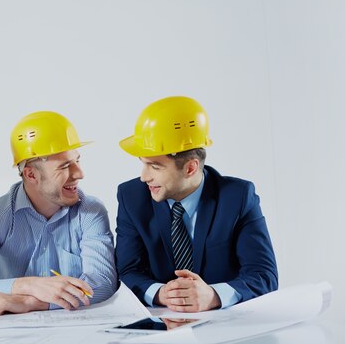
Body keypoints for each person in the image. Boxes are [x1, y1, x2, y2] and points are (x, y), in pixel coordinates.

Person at [115, 96, 278, 313]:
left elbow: (264, 275)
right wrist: (161, 293)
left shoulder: (238, 197)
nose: (144, 177)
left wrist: (214, 295)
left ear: (190, 168)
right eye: (142, 164)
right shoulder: (131, 197)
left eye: (155, 166)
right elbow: (126, 272)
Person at [0, 111, 117, 315]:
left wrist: (31, 303)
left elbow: (102, 283)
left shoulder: (91, 212)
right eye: (65, 166)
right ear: (31, 174)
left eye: (77, 160)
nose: (79, 173)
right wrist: (27, 286)